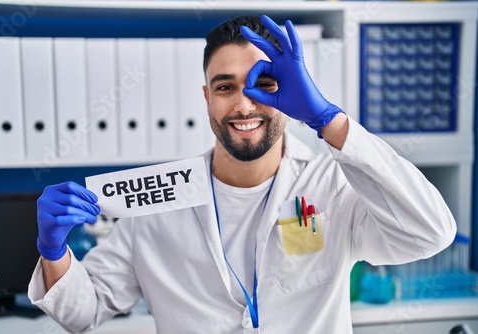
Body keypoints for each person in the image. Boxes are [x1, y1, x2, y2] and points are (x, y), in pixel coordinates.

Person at [28, 15, 456, 333]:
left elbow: (430, 233)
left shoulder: (333, 185)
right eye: (225, 87)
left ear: (293, 92)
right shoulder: (157, 201)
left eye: (263, 84)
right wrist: (52, 251)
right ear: (206, 96)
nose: (244, 106)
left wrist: (329, 120)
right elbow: (85, 312)